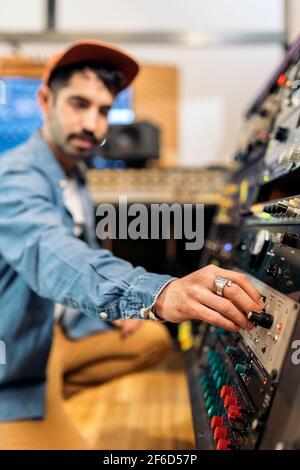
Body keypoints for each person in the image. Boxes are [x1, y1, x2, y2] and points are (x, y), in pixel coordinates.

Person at [0, 40, 264, 449]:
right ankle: (28, 411)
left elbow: (83, 253)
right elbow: (52, 255)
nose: (92, 123)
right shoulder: (14, 178)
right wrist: (156, 291)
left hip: (51, 334)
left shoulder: (74, 172)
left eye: (104, 110)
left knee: (151, 340)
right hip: (12, 357)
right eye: (78, 104)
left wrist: (112, 311)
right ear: (45, 99)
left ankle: (50, 396)